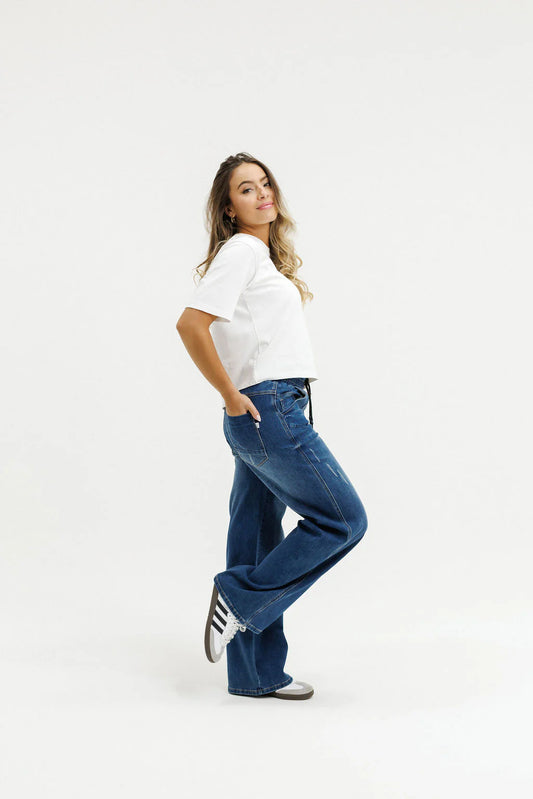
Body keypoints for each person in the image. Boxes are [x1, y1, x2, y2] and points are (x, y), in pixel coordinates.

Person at [176, 152, 368, 700]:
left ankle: (256, 675)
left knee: (257, 538)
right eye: (245, 189)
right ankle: (239, 597)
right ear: (229, 208)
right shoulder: (242, 251)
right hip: (268, 411)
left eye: (265, 184)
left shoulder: (258, 256)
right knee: (341, 520)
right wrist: (230, 395)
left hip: (264, 413)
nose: (261, 194)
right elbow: (191, 325)